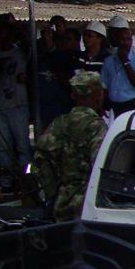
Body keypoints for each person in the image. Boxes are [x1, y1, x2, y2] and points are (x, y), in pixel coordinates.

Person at [32, 70, 107, 221]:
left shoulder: (59, 123)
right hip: (88, 204)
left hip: (62, 201)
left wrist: (51, 191)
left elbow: (39, 160)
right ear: (99, 96)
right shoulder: (97, 127)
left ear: (73, 96)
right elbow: (101, 166)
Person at [0, 15, 31, 188]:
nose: (2, 35)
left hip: (18, 105)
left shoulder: (20, 51)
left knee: (23, 146)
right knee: (3, 148)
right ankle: (7, 181)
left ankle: (29, 177)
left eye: (5, 31)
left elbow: (29, 42)